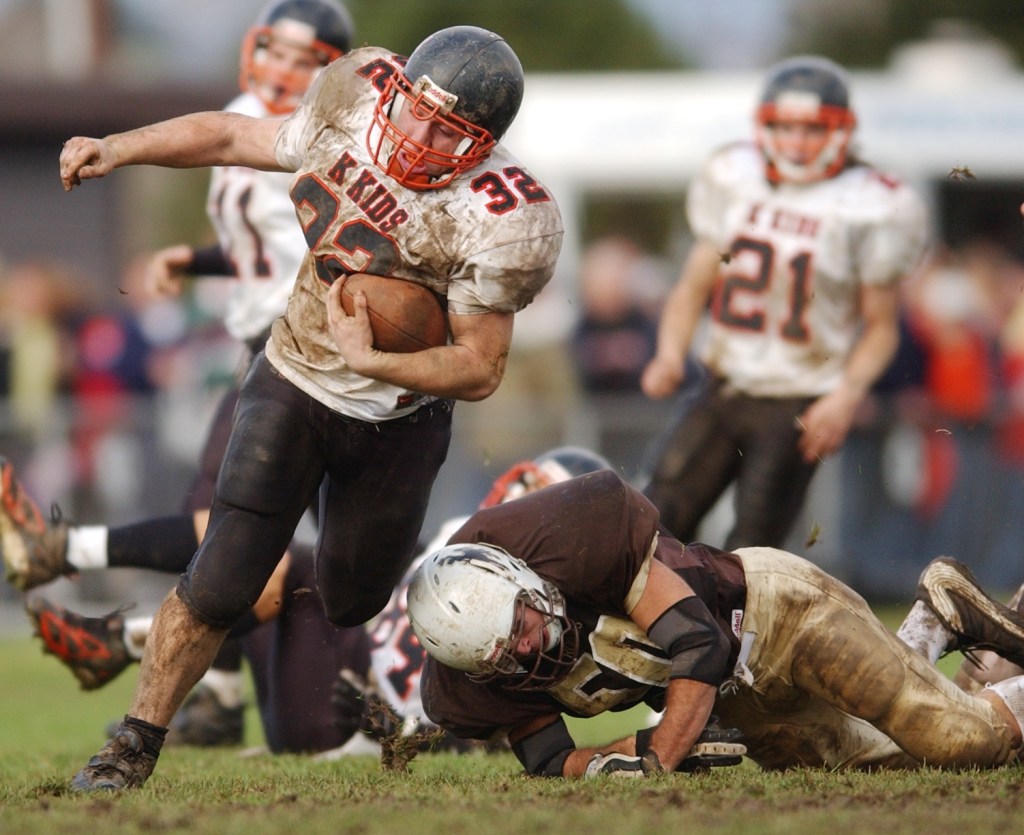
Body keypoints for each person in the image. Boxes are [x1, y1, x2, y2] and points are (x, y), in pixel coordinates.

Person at [55, 24, 563, 791]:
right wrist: (118, 145)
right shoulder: (351, 94)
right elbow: (231, 132)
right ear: (396, 90)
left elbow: (481, 366)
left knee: (355, 595)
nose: (419, 134)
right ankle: (132, 743)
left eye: (448, 129)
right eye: (417, 109)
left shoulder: (503, 215)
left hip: (398, 421)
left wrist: (378, 359)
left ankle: (444, 703)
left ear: (483, 145)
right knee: (219, 576)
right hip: (291, 376)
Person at [1, 0, 358, 747]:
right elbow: (262, 242)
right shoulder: (252, 117)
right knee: (242, 534)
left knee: (253, 536)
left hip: (300, 354)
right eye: (275, 50)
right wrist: (191, 259)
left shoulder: (321, 143)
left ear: (329, 73)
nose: (281, 69)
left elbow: (316, 251)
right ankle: (219, 690)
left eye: (303, 59)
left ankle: (86, 581)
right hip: (266, 344)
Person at [406, 469, 1024, 776]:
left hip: (774, 615)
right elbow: (548, 758)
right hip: (734, 698)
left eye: (519, 625)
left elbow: (696, 642)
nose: (528, 649)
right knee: (894, 759)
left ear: (521, 579)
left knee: (963, 743)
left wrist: (660, 758)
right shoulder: (468, 687)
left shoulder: (574, 539)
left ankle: (988, 682)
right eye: (503, 656)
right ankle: (940, 615)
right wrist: (620, 756)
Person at [19, 447, 609, 759]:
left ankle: (104, 606)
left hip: (348, 709)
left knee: (278, 558)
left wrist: (420, 731)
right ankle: (83, 566)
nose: (523, 501)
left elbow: (514, 702)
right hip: (341, 684)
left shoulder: (548, 597)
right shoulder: (478, 536)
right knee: (258, 543)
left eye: (540, 495)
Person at [640, 56, 928, 549]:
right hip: (723, 387)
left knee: (753, 546)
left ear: (841, 131)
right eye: (784, 127)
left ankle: (732, 630)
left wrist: (845, 395)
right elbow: (691, 287)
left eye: (812, 129)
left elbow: (882, 326)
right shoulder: (734, 177)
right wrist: (669, 353)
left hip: (798, 401)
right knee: (655, 523)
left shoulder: (872, 205)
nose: (796, 142)